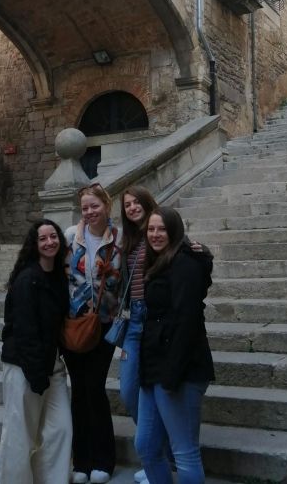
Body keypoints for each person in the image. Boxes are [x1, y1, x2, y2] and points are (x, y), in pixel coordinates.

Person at [134, 207, 214, 484]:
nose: (155, 234)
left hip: (180, 369)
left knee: (184, 452)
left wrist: (172, 374)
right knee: (145, 445)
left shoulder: (185, 262)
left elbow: (186, 321)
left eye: (162, 229)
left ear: (175, 231)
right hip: (154, 365)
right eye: (151, 229)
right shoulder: (158, 261)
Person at [0, 219, 72, 484]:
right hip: (23, 367)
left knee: (61, 429)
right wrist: (36, 374)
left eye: (54, 236)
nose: (50, 242)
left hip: (52, 366)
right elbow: (24, 330)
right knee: (19, 435)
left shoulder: (59, 277)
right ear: (35, 244)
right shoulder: (27, 279)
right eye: (43, 238)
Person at [64, 183, 123, 484]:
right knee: (79, 392)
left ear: (106, 206)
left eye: (94, 206)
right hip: (74, 324)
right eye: (85, 207)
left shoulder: (120, 239)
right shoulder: (70, 238)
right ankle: (81, 461)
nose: (89, 212)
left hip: (104, 323)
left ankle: (103, 459)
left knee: (95, 389)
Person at [118, 186, 158, 484]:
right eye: (127, 205)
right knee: (128, 391)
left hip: (155, 319)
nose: (132, 208)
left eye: (135, 203)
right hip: (133, 321)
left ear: (146, 203)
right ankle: (155, 447)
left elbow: (186, 246)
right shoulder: (129, 240)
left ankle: (153, 457)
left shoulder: (160, 230)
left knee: (151, 392)